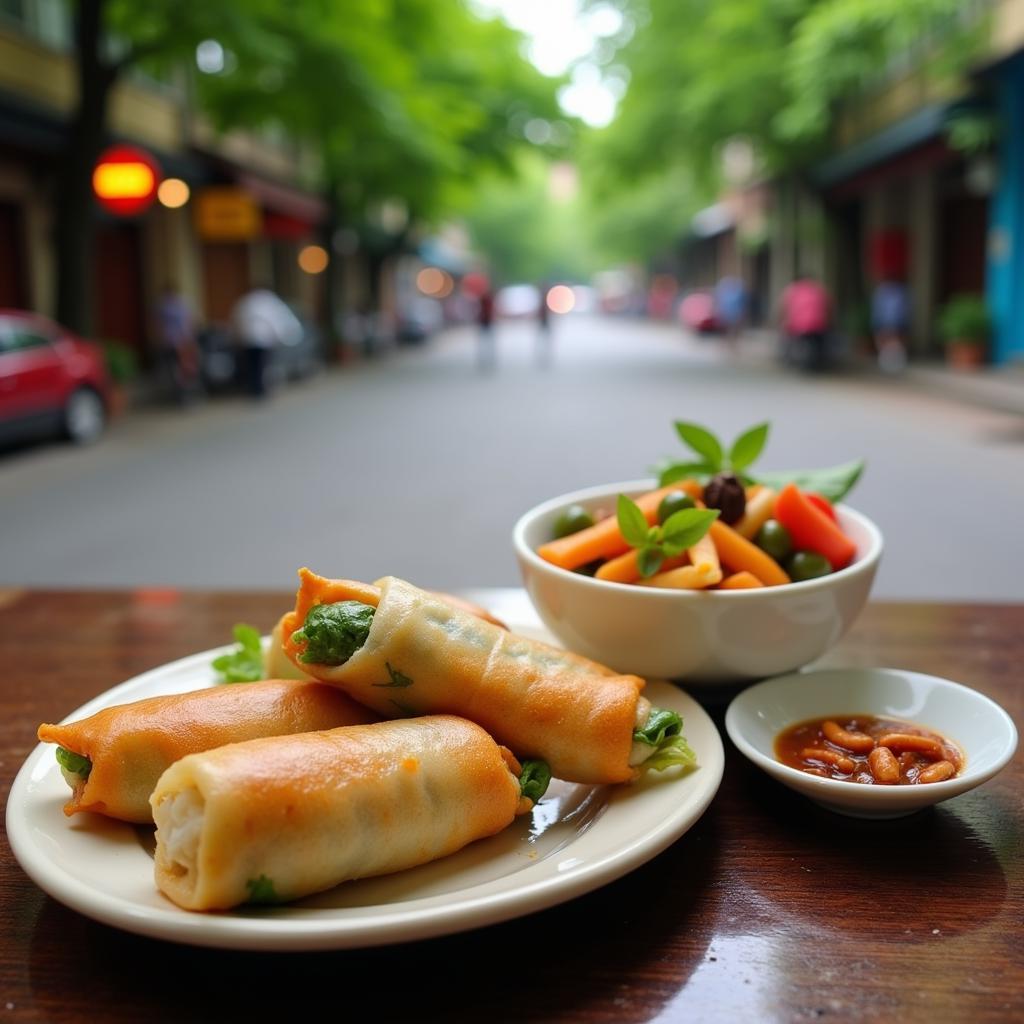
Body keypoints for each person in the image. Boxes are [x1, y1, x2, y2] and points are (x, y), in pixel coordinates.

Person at [230, 286, 303, 398]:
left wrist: (237, 337)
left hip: (248, 340)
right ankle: (259, 389)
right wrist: (280, 336)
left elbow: (237, 319)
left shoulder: (246, 301)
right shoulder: (268, 302)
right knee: (261, 365)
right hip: (263, 340)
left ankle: (254, 388)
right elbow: (275, 320)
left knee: (253, 366)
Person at [155, 284, 201, 405]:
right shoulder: (177, 304)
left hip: (173, 342)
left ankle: (182, 395)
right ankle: (183, 395)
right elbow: (188, 323)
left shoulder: (164, 305)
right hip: (179, 342)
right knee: (182, 370)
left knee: (177, 370)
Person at [779, 272, 831, 371]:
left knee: (788, 339)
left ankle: (788, 358)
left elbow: (784, 306)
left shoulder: (792, 289)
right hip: (818, 324)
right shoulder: (818, 289)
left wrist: (784, 320)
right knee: (822, 342)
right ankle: (822, 360)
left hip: (797, 324)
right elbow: (828, 305)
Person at [871, 278, 910, 373]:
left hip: (893, 322)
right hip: (889, 321)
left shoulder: (898, 291)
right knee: (889, 340)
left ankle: (894, 362)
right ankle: (890, 362)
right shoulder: (882, 291)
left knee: (893, 340)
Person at [714, 276, 747, 351]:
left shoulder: (737, 292)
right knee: (726, 331)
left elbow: (741, 304)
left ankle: (732, 345)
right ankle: (728, 345)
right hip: (727, 315)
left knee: (733, 331)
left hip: (734, 315)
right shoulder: (726, 292)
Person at [476, 288, 496, 371]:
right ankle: (487, 358)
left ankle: (487, 358)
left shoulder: (485, 300)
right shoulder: (486, 300)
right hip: (486, 322)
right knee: (486, 342)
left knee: (486, 342)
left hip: (486, 322)